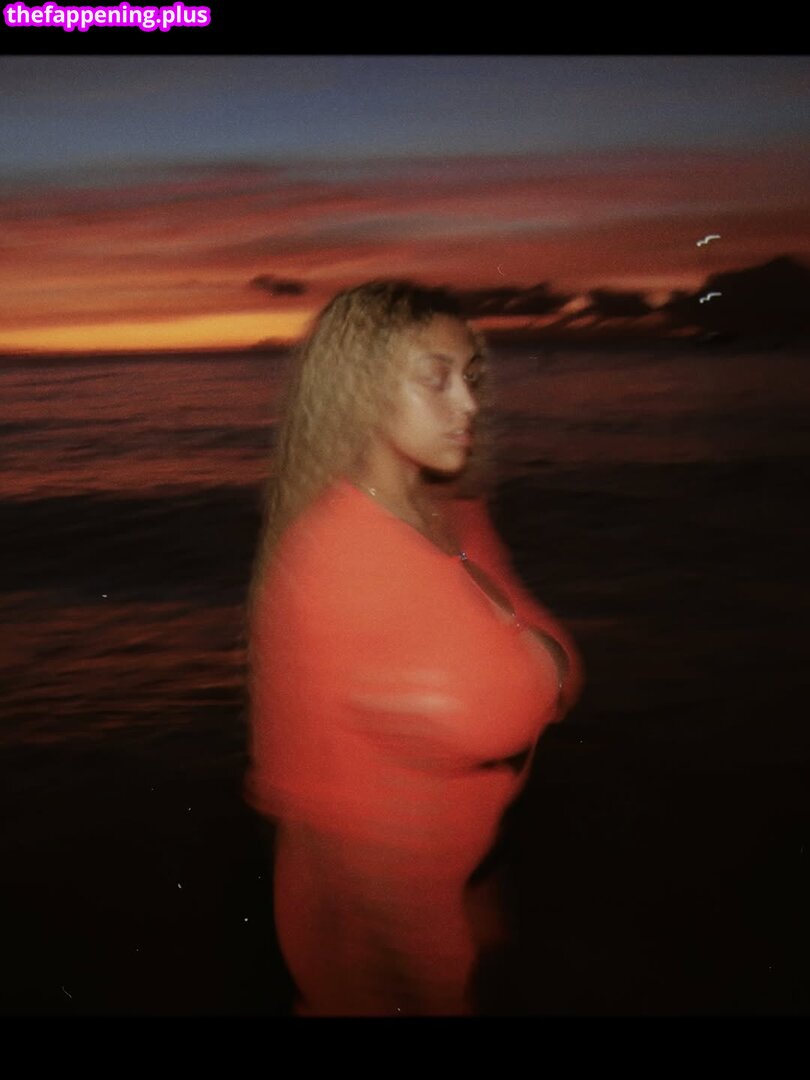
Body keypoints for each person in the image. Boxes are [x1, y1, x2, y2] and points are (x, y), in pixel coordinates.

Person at [245, 280, 583, 1016]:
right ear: (361, 390)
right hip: (384, 919)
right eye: (436, 379)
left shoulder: (447, 511)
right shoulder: (338, 551)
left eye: (470, 378)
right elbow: (504, 708)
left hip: (465, 874)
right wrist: (539, 667)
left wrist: (536, 671)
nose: (469, 403)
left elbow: (543, 674)